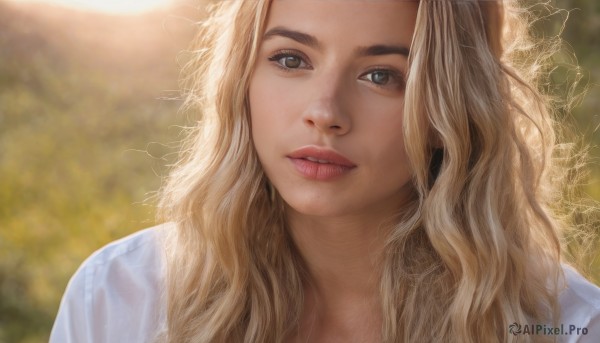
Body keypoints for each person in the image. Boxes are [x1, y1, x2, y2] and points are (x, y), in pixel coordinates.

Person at [50, 0, 600, 342]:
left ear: (448, 109)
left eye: (382, 76)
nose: (326, 113)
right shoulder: (121, 296)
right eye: (291, 59)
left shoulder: (565, 326)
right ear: (242, 78)